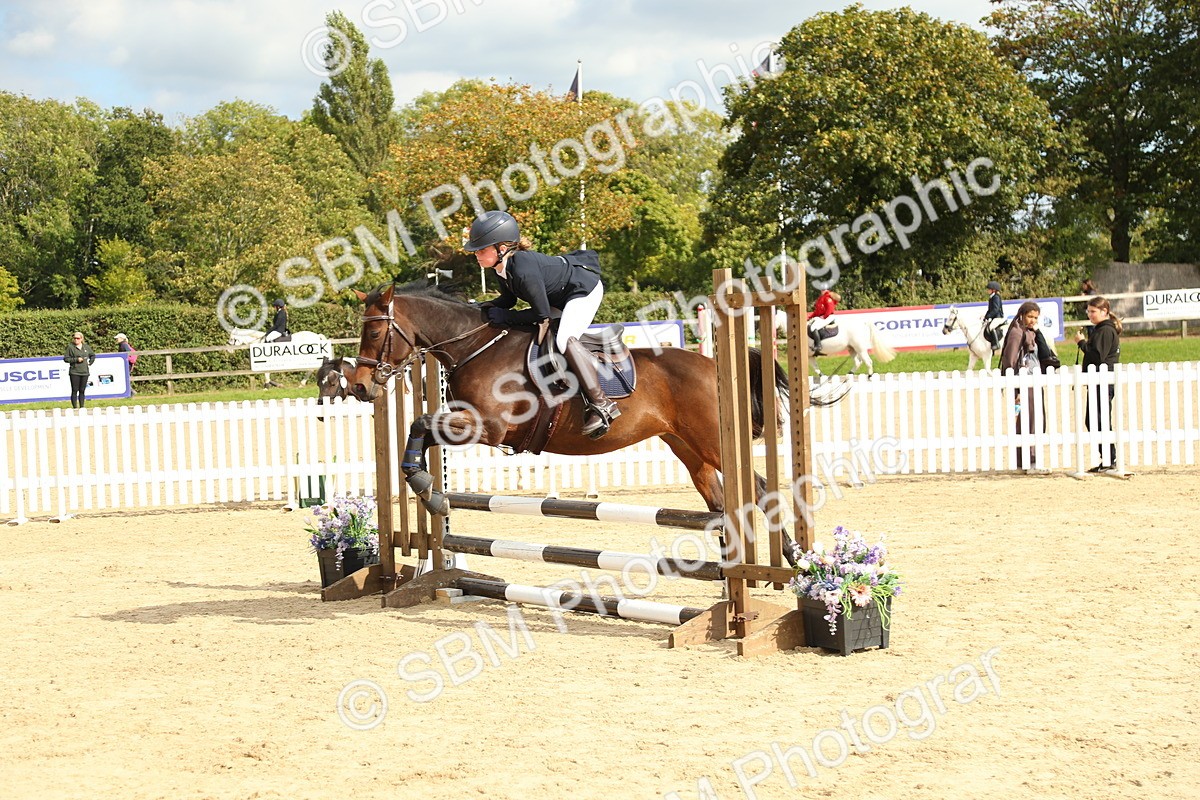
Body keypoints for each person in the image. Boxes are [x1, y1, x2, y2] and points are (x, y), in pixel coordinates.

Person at [464, 210, 618, 439]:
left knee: (564, 339)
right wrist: (481, 308)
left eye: (482, 249)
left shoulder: (523, 270)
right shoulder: (501, 268)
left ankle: (602, 403)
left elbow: (541, 315)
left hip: (583, 290)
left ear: (502, 248)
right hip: (558, 297)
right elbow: (509, 301)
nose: (476, 254)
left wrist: (505, 317)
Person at [1075, 296, 1122, 472]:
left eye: (1093, 311)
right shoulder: (1102, 330)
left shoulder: (1104, 331)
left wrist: (1081, 343)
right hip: (1098, 381)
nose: (1090, 314)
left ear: (1104, 312)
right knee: (1095, 420)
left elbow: (1096, 356)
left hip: (1102, 381)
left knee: (1099, 420)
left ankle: (1110, 459)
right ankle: (1107, 459)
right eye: (1089, 311)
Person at [1000, 301, 1046, 473]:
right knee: (1030, 421)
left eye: (1035, 317)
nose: (1033, 320)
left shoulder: (1028, 332)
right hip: (1024, 382)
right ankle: (1030, 461)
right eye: (1030, 316)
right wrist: (1016, 389)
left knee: (1032, 420)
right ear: (1022, 315)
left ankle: (1026, 461)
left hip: (1032, 380)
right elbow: (1010, 361)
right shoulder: (1017, 332)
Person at [63, 331, 96, 409]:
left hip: (84, 372)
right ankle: (75, 407)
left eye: (78, 338)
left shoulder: (86, 347)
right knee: (75, 390)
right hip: (74, 371)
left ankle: (82, 406)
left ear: (81, 339)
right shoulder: (70, 347)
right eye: (74, 338)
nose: (76, 340)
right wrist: (76, 359)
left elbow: (92, 355)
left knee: (82, 390)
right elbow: (66, 359)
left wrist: (90, 362)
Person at [807, 289, 841, 355]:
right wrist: (809, 317)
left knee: (813, 327)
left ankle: (818, 345)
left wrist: (823, 317)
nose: (821, 291)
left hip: (828, 317)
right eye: (821, 289)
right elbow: (817, 311)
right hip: (822, 317)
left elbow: (830, 309)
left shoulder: (828, 298)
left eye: (823, 290)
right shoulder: (820, 298)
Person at [982, 281, 1005, 351]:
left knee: (991, 327)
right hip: (994, 317)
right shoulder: (992, 297)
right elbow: (990, 310)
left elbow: (995, 309)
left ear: (993, 290)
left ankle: (996, 344)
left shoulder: (996, 297)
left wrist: (988, 316)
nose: (987, 290)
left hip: (998, 317)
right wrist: (985, 316)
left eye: (989, 289)